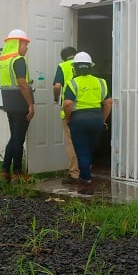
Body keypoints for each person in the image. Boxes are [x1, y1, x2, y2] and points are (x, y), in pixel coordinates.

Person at [62, 51, 112, 194]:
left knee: (82, 152)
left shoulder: (72, 83)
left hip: (79, 119)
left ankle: (86, 183)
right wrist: (102, 119)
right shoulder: (101, 82)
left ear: (75, 68)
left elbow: (67, 104)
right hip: (96, 118)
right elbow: (108, 103)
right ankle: (85, 179)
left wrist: (68, 117)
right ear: (90, 67)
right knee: (89, 151)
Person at [0, 28, 34, 182]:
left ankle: (4, 171)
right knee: (19, 140)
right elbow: (22, 84)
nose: (26, 48)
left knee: (14, 137)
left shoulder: (3, 61)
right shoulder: (19, 60)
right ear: (18, 44)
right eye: (25, 44)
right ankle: (17, 173)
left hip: (9, 103)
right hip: (20, 104)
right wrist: (30, 104)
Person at [53, 46, 80, 184]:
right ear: (76, 54)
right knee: (85, 142)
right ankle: (87, 170)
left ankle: (75, 174)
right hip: (87, 109)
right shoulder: (84, 65)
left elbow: (57, 86)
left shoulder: (63, 66)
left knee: (71, 142)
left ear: (63, 58)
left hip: (69, 110)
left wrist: (56, 98)